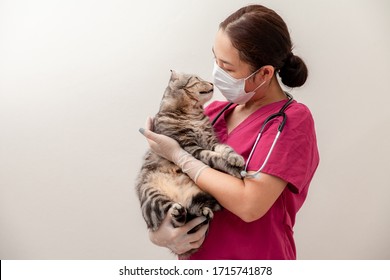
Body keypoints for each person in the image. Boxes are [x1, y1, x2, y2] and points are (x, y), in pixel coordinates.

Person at [139, 4, 319, 260]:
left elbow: (249, 205)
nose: (217, 73)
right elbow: (168, 187)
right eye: (215, 60)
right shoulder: (212, 113)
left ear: (265, 73)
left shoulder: (290, 121)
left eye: (228, 67)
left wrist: (180, 156)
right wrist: (161, 234)